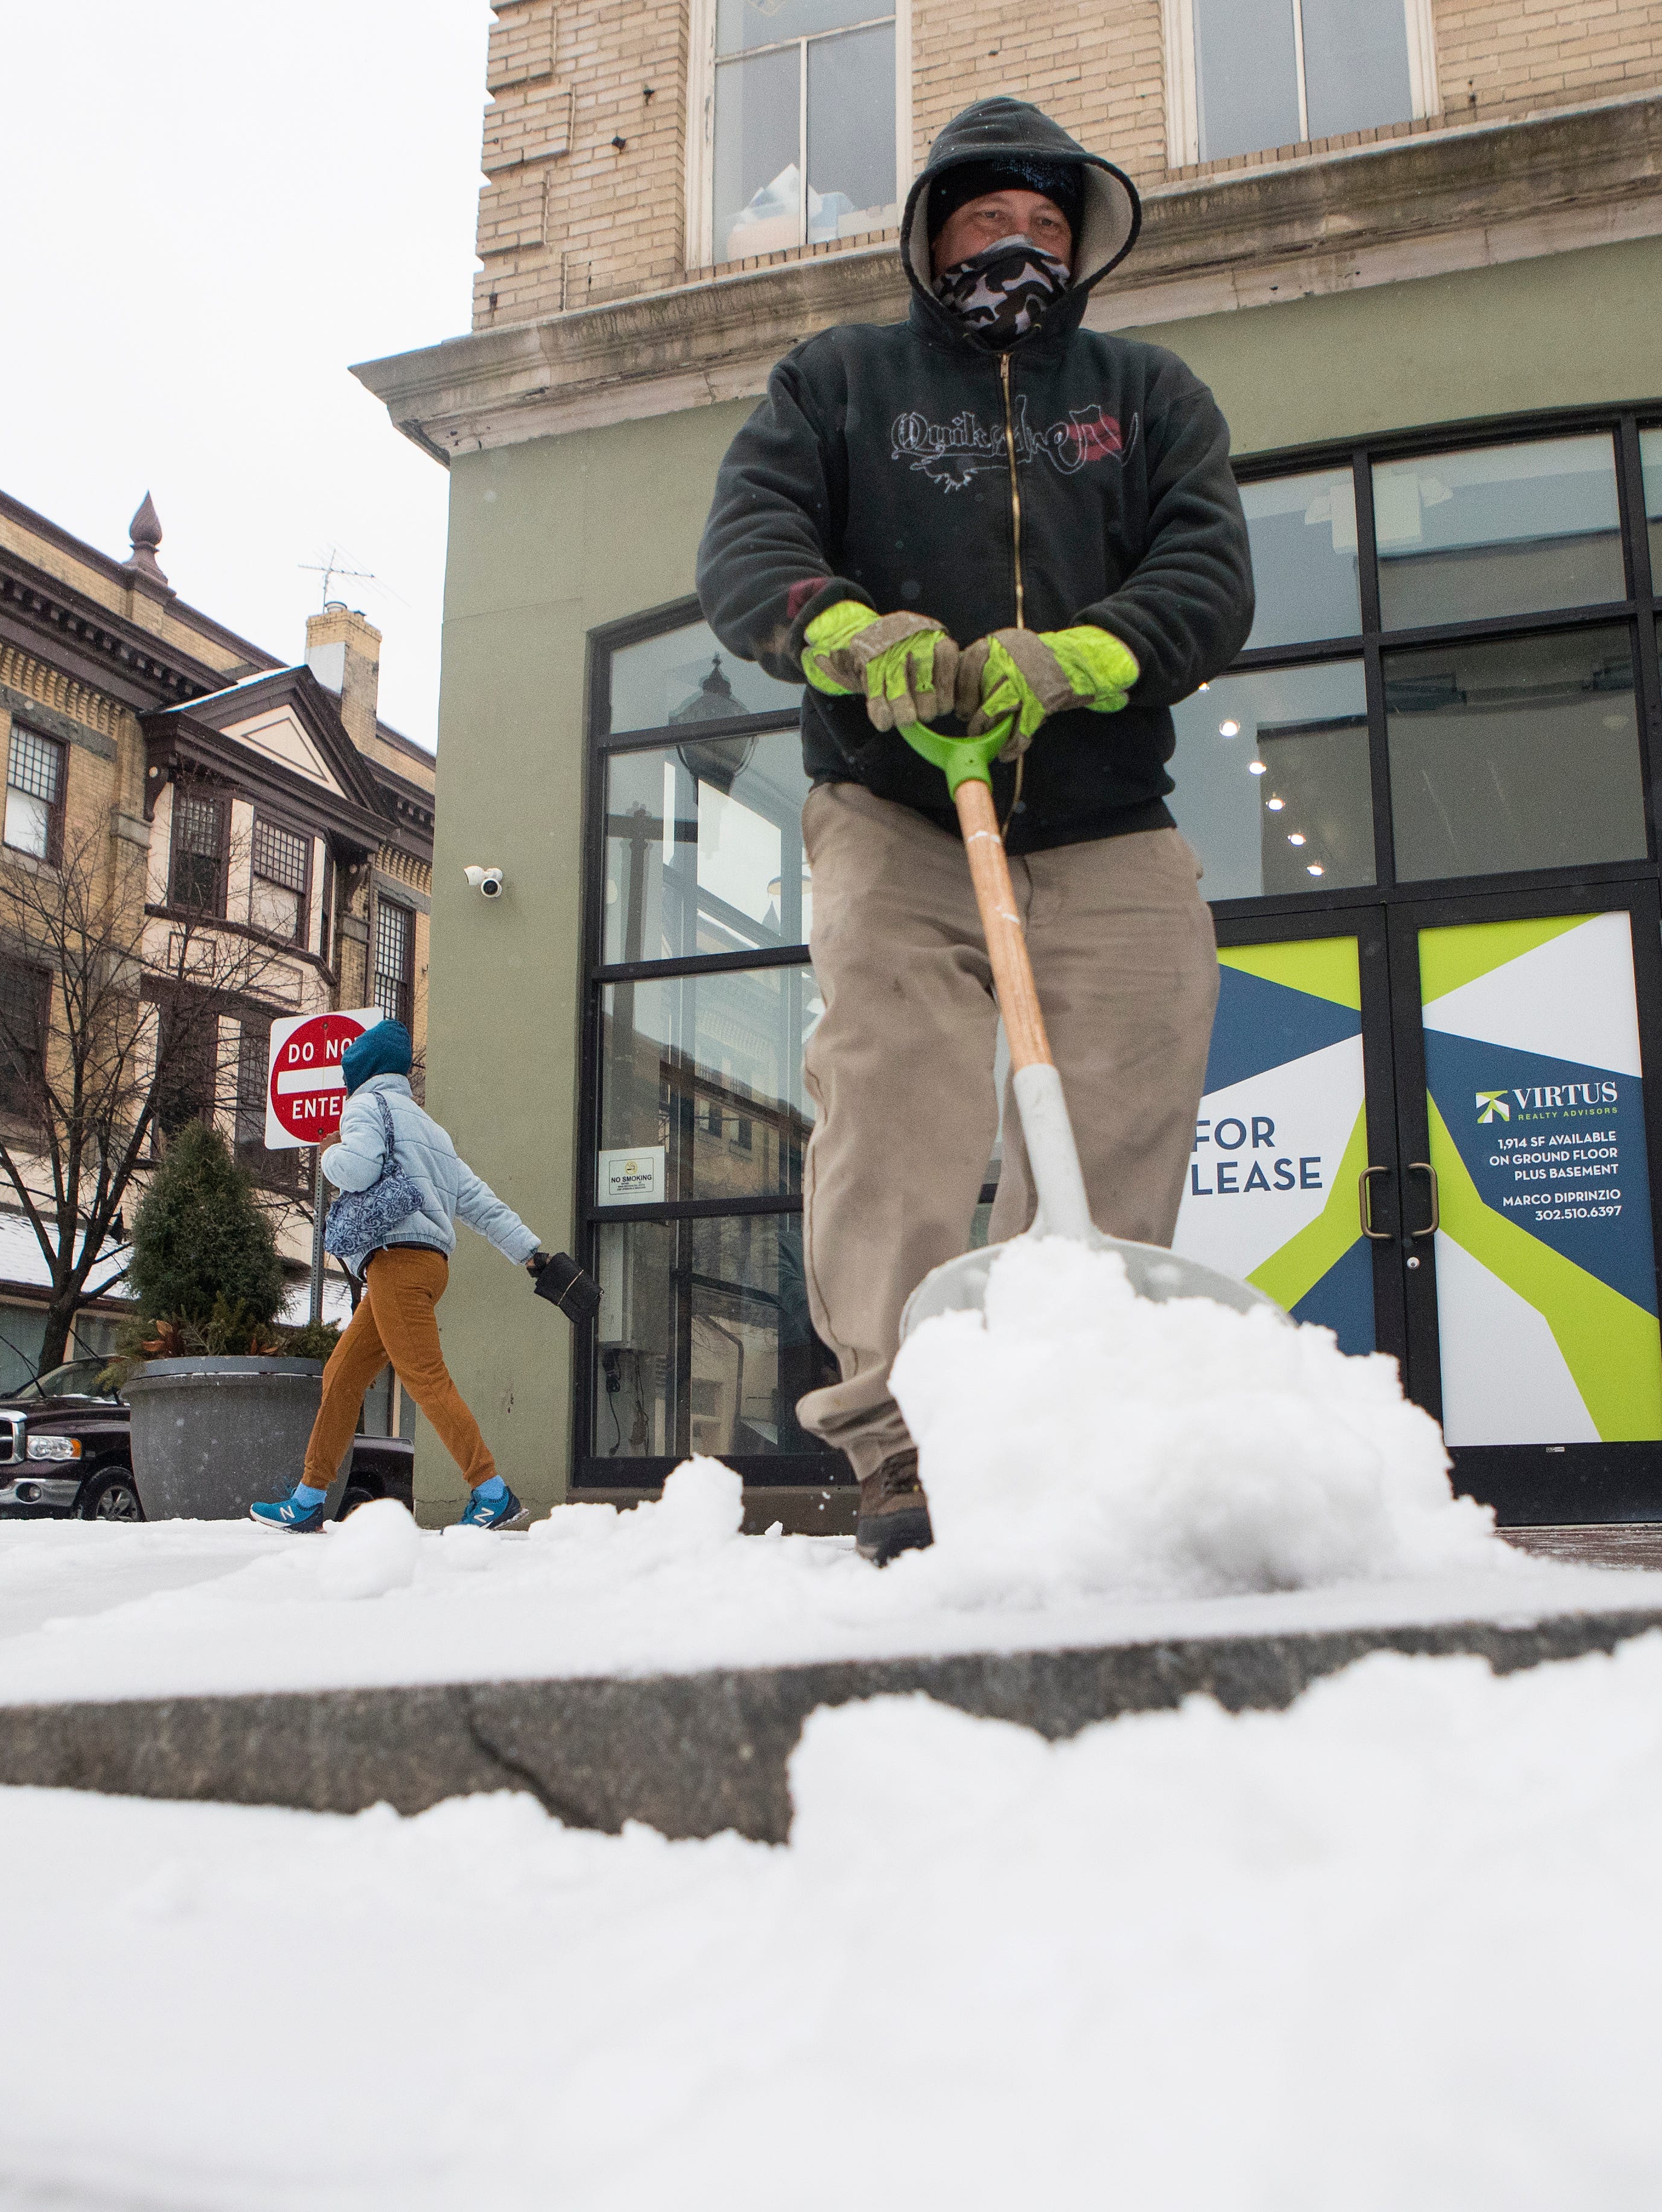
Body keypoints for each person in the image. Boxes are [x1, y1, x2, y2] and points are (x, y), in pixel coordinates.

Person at [696, 97, 1253, 1563]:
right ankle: (898, 1442)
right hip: (895, 805)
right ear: (932, 233)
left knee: (1127, 1096)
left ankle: (1062, 1406)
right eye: (990, 223)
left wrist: (1085, 655)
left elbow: (1205, 572)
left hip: (1103, 817)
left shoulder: (1143, 393)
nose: (1021, 248)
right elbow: (748, 546)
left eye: (1049, 228)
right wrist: (842, 630)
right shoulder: (839, 381)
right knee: (894, 1096)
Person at [250, 1019, 595, 1533]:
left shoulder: (365, 1108)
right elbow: (477, 1200)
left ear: (360, 1070)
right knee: (342, 1375)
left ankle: (491, 1491)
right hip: (427, 1266)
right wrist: (529, 1252)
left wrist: (331, 1156)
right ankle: (307, 1499)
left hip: (396, 1262)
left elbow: (359, 1170)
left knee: (426, 1381)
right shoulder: (429, 1128)